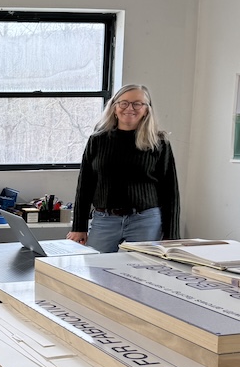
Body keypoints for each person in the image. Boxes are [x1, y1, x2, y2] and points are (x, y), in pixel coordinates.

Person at [66, 84, 179, 253]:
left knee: (142, 269)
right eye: (124, 103)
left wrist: (172, 234)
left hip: (146, 220)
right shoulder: (97, 141)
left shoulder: (159, 143)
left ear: (147, 110)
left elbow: (170, 191)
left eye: (137, 104)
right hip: (104, 220)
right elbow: (85, 186)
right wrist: (78, 226)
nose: (130, 108)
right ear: (114, 107)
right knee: (94, 267)